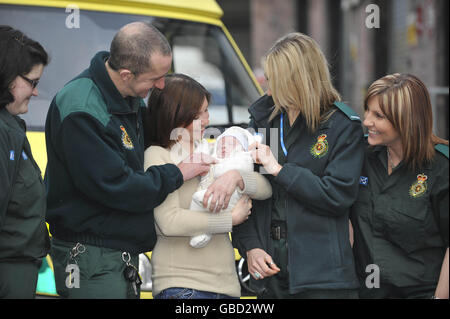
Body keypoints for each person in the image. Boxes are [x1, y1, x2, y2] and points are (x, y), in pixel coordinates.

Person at [45, 22, 212, 299]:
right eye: (154, 78)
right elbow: (116, 186)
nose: (160, 85)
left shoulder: (127, 95)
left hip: (115, 255)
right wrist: (176, 173)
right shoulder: (82, 110)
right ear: (125, 74)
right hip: (91, 259)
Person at [232, 32, 365, 299]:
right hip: (270, 270)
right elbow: (247, 193)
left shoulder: (341, 126)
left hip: (322, 278)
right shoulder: (265, 121)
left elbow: (336, 195)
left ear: (296, 80)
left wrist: (280, 170)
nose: (267, 89)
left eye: (273, 80)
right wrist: (250, 247)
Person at [144, 73, 272, 299]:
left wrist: (235, 176)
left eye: (206, 111)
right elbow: (169, 222)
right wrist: (229, 220)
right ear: (176, 114)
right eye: (199, 113)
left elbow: (265, 188)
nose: (207, 120)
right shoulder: (157, 155)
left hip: (226, 287)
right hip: (182, 287)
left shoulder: (211, 149)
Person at [350, 73, 449, 299]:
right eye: (367, 110)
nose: (366, 121)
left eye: (379, 116)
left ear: (406, 119)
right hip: (368, 292)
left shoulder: (442, 169)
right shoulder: (361, 156)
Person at [0, 26, 50, 298]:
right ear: (7, 77)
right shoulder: (3, 132)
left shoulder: (12, 128)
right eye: (33, 82)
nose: (35, 92)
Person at [189, 126, 258, 248]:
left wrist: (214, 164)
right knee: (199, 204)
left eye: (231, 143)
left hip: (231, 199)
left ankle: (205, 229)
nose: (224, 146)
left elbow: (224, 171)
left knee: (200, 199)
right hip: (219, 198)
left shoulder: (243, 159)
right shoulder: (217, 160)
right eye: (221, 144)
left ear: (242, 148)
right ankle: (202, 233)